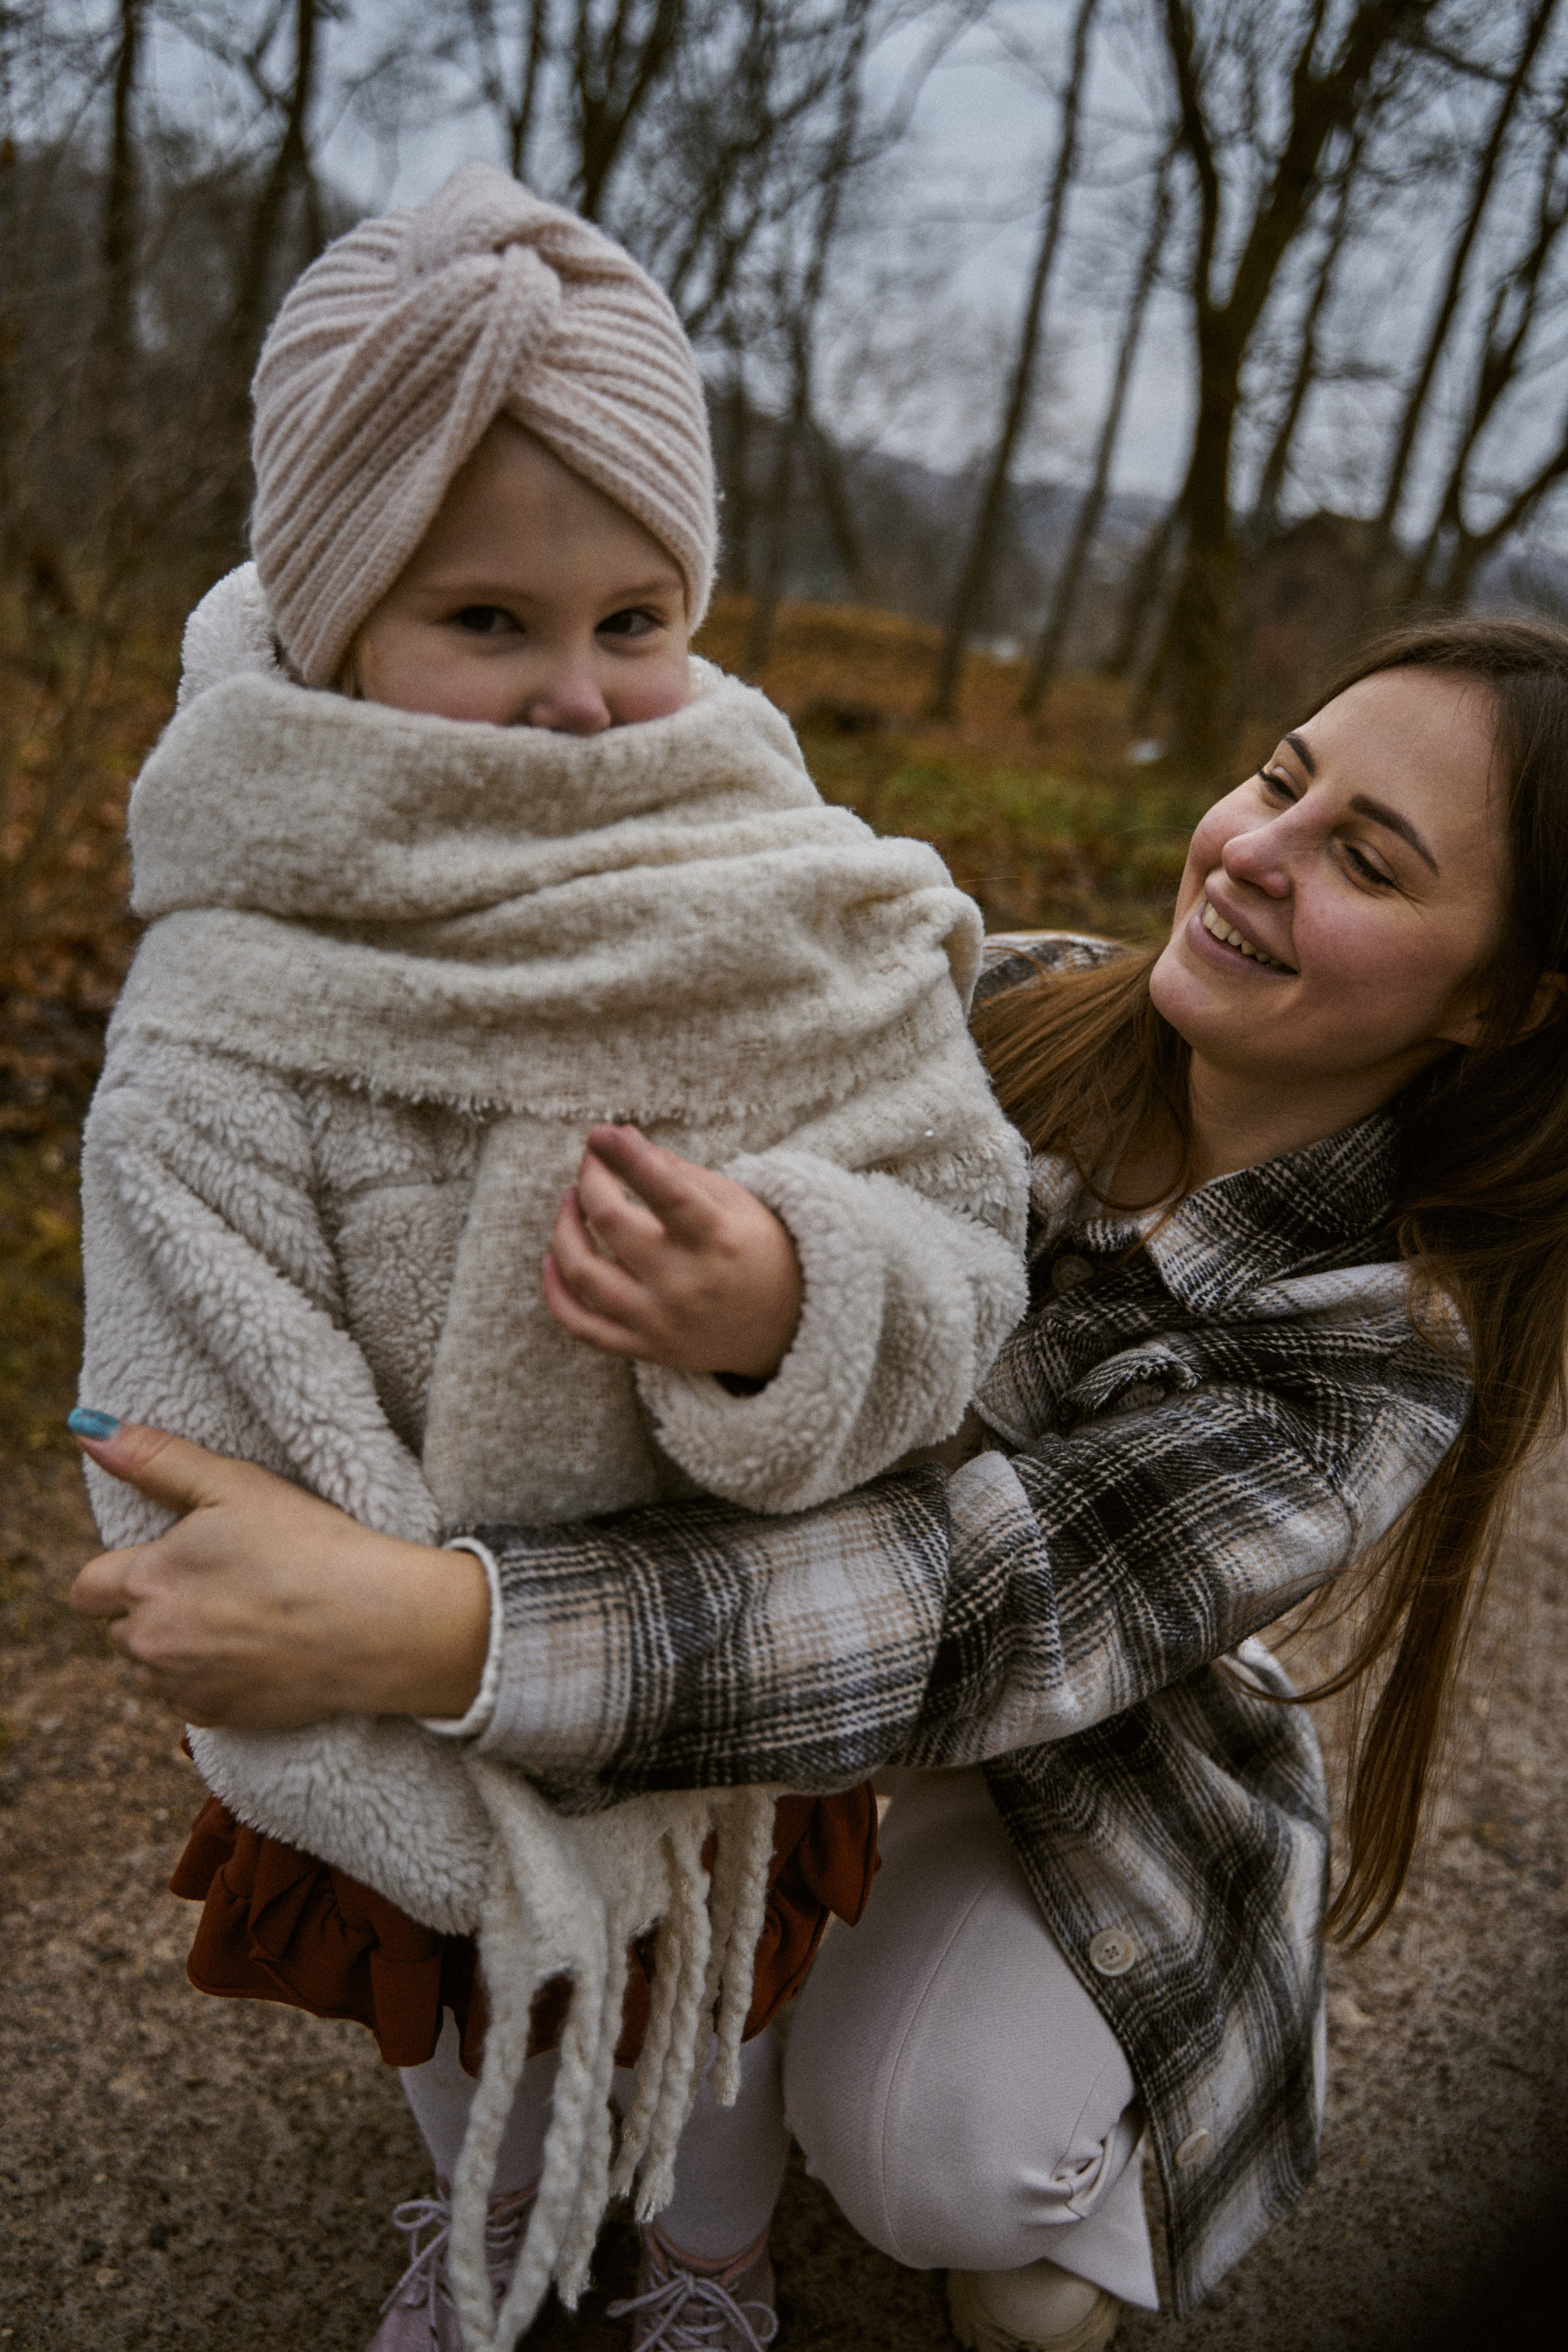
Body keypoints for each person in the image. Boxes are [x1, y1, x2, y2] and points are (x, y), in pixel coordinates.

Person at [72, 617, 1568, 2352]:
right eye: (1280, 781)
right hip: (754, 1635)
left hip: (1056, 1755)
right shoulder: (999, 997)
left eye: (1367, 863)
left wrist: (436, 1627)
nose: (1251, 853)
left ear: (1500, 1000)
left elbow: (976, 1611)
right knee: (597, 1938)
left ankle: (1075, 2151)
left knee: (951, 2173)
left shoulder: (1380, 1350)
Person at [72, 162, 1030, 2352]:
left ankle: (708, 2261)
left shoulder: (781, 888)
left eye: (634, 618)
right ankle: (488, 2226)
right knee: (447, 2039)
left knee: (717, 2045)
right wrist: (393, 1639)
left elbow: (962, 1236)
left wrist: (789, 1297)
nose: (585, 698)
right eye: (487, 621)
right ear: (328, 616)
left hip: (705, 1682)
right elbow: (189, 1375)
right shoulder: (244, 955)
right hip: (392, 1684)